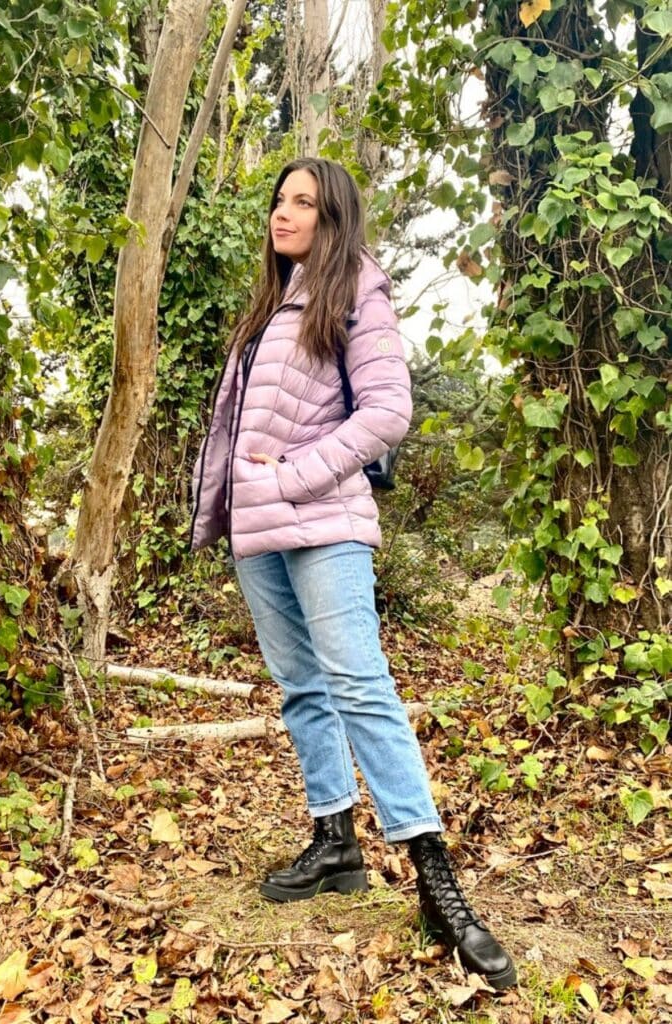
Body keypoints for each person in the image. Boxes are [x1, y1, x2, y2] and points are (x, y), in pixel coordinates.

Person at [190, 158, 516, 991]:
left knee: (358, 682)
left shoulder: (355, 288)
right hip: (257, 533)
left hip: (322, 521)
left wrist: (287, 475)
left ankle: (436, 881)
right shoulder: (273, 302)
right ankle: (334, 841)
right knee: (300, 686)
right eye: (277, 199)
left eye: (302, 201)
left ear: (334, 217)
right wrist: (235, 502)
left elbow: (387, 412)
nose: (281, 212)